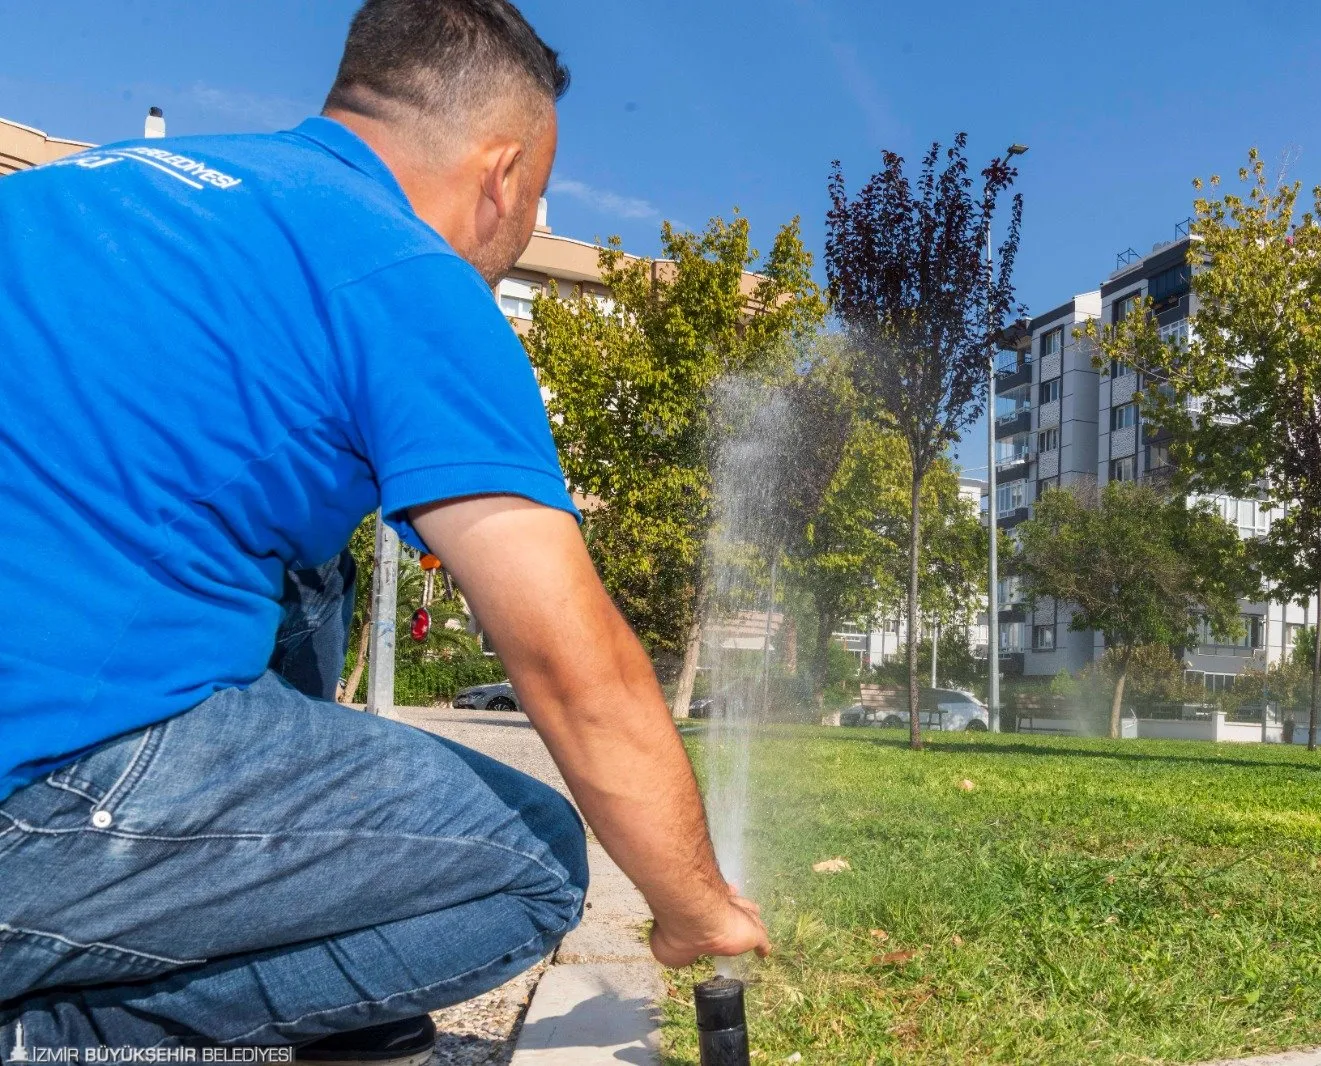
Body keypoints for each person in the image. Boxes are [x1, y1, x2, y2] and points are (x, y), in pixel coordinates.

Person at [0, 0, 768, 1057]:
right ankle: (59, 1034)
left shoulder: (94, 188)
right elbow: (568, 663)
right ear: (502, 173)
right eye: (536, 201)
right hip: (30, 802)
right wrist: (694, 904)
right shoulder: (406, 274)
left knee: (315, 572)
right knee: (531, 858)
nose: (525, 230)